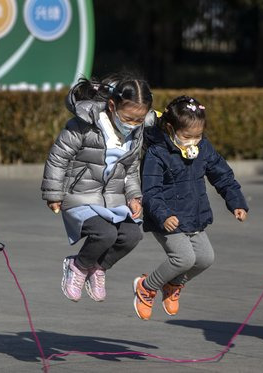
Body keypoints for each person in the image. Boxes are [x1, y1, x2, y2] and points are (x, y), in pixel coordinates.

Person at [133, 96, 248, 321]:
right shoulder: (157, 153)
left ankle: (173, 284)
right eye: (187, 136)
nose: (194, 141)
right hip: (165, 219)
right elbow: (151, 191)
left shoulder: (203, 148)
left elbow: (222, 175)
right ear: (169, 128)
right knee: (184, 258)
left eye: (198, 135)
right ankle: (146, 287)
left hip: (193, 216)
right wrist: (163, 215)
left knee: (205, 258)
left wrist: (236, 202)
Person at [41, 74, 154, 303]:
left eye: (139, 120)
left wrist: (134, 197)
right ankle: (78, 266)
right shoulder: (84, 125)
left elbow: (131, 169)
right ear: (112, 106)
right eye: (129, 118)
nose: (133, 124)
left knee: (132, 235)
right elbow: (58, 157)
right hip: (79, 195)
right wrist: (53, 193)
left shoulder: (136, 133)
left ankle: (99, 268)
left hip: (112, 199)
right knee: (105, 233)